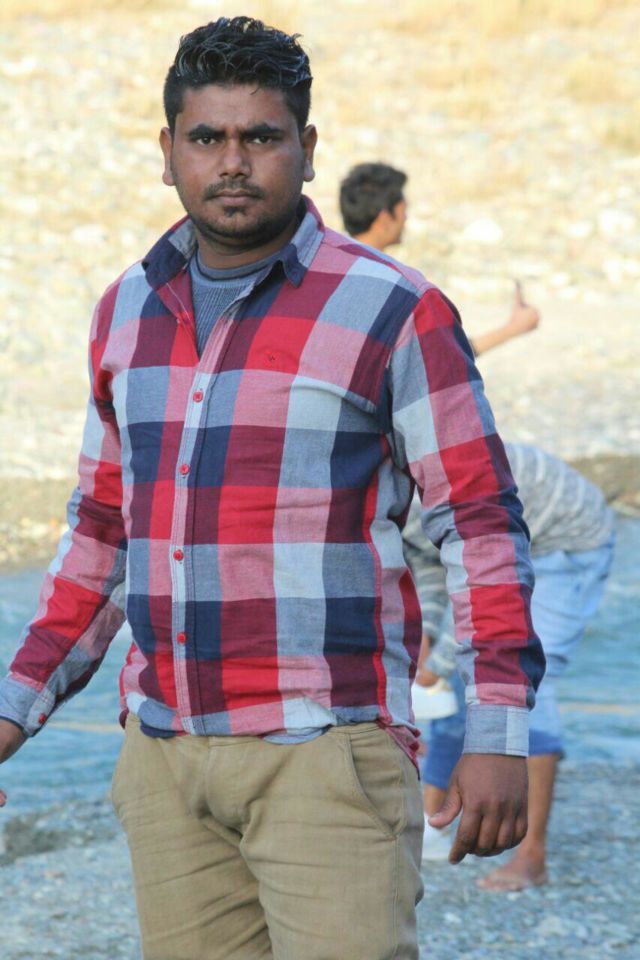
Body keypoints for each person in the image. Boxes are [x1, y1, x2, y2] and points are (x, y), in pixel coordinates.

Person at [0, 17, 545, 960]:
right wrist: (15, 708)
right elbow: (102, 536)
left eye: (261, 136)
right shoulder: (126, 310)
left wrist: (497, 730)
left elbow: (482, 523)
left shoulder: (394, 308)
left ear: (307, 146)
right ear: (167, 151)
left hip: (328, 754)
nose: (233, 162)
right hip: (165, 760)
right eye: (207, 137)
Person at [403, 442, 615, 888]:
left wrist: (434, 666)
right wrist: (427, 649)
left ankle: (531, 857)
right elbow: (433, 574)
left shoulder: (417, 491)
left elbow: (482, 587)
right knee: (461, 682)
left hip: (566, 537)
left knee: (524, 683)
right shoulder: (392, 509)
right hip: (505, 536)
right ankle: (433, 827)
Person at [339, 161, 541, 356]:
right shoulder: (388, 285)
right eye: (403, 211)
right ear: (385, 219)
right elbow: (439, 357)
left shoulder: (335, 268)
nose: (406, 219)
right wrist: (512, 329)